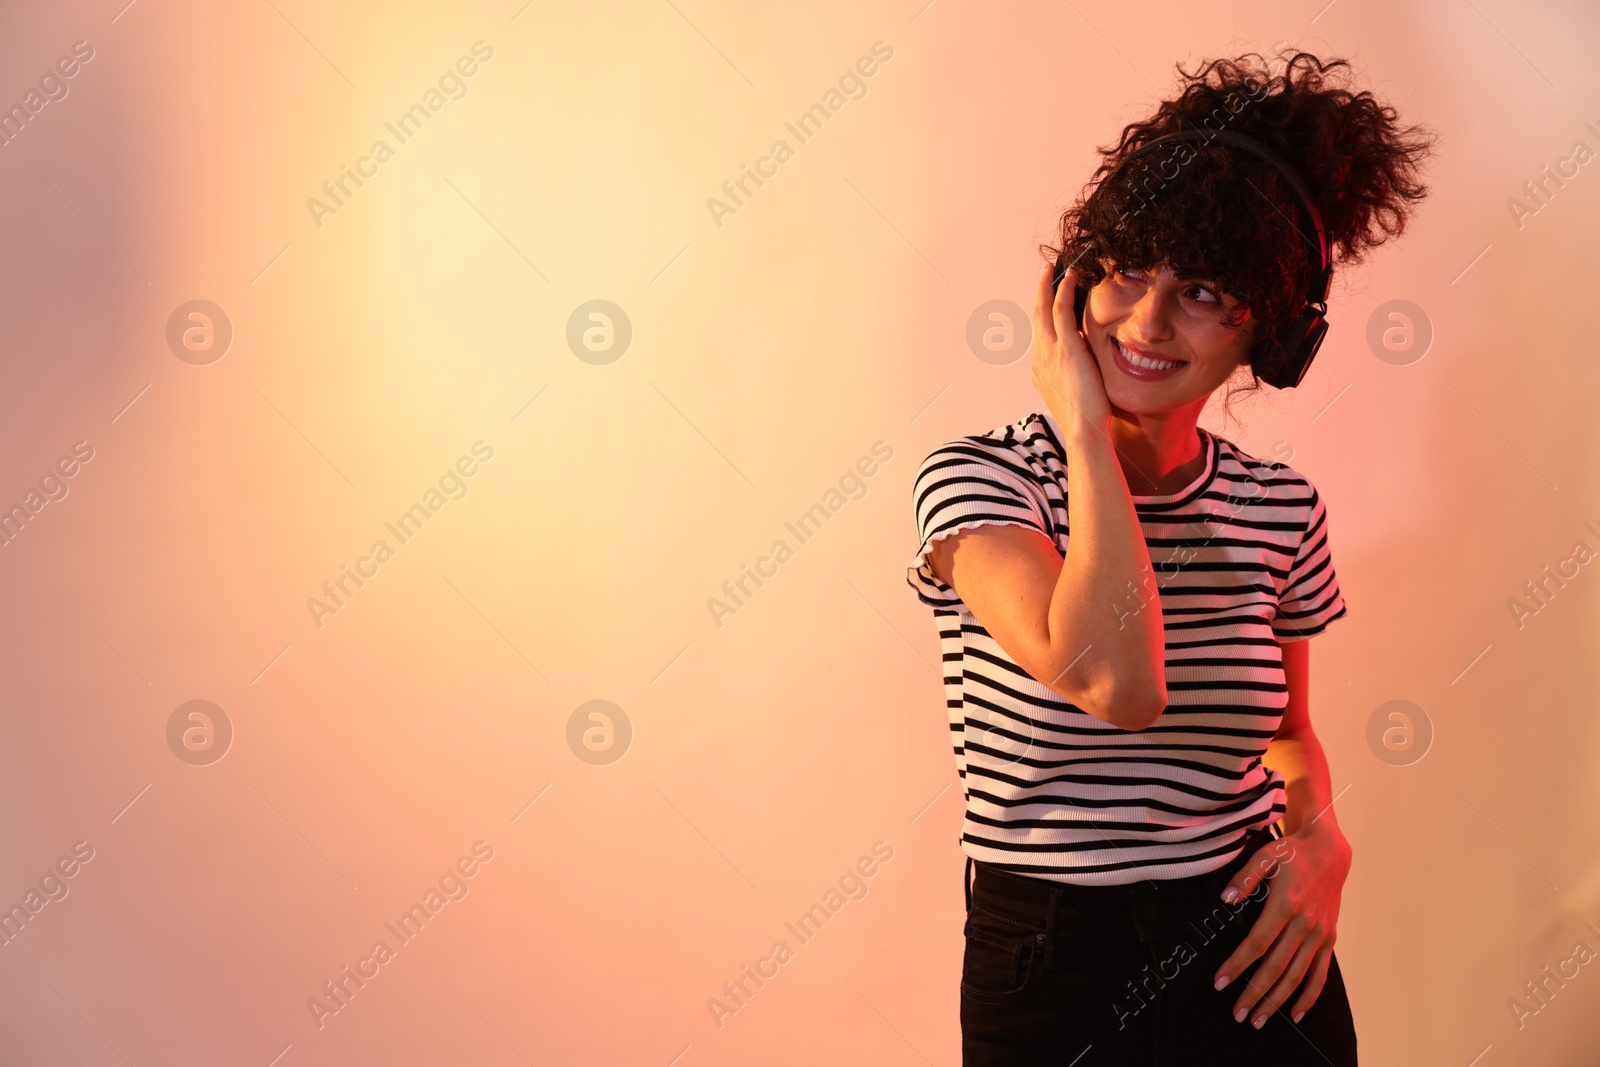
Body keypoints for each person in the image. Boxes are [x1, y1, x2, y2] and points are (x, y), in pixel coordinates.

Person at [905, 51, 1434, 1064]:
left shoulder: (1281, 510)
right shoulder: (981, 485)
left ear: (1268, 333)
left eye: (1197, 290)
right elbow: (1115, 678)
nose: (1144, 323)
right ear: (1071, 283)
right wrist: (1087, 440)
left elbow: (1287, 735)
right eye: (1125, 270)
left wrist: (1320, 838)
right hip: (1049, 964)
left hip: (1250, 946)